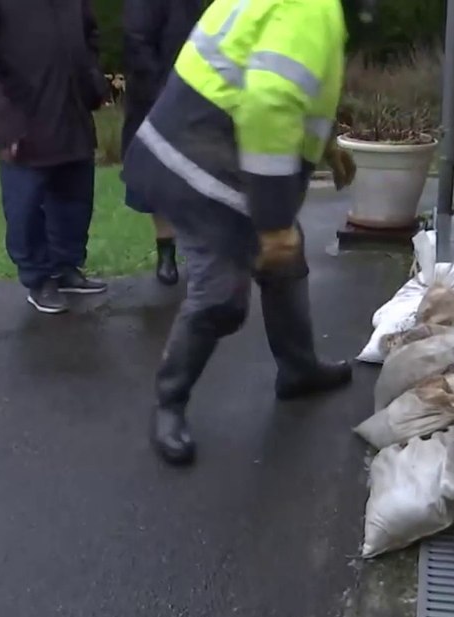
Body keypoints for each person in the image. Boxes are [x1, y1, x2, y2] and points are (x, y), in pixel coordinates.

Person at [123, 0, 359, 466]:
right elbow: (268, 103)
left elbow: (282, 80)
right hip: (200, 166)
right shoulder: (313, 8)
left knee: (285, 261)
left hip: (194, 149)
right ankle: (168, 403)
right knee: (221, 296)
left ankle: (298, 369)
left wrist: (326, 145)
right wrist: (272, 223)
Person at [0, 0, 110, 314]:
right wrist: (3, 122)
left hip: (72, 113)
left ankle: (66, 267)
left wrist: (92, 82)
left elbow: (89, 34)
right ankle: (38, 279)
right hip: (22, 120)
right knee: (24, 206)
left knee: (75, 199)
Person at [121, 0, 206, 286]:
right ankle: (166, 253)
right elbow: (137, 43)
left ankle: (199, 253)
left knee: (196, 176)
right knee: (159, 181)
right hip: (156, 98)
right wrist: (165, 93)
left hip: (195, 95)